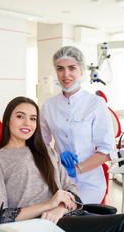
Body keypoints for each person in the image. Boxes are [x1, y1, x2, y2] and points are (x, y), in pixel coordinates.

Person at [0, 96, 124, 232]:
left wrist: (60, 209)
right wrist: (48, 206)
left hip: (67, 215)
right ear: (7, 120)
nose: (27, 123)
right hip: (38, 225)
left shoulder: (47, 152)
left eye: (33, 119)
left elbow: (71, 189)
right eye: (20, 116)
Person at [40, 46, 115, 204]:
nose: (66, 74)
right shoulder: (49, 105)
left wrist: (76, 169)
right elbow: (41, 144)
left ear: (81, 71)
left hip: (90, 183)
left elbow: (107, 150)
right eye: (60, 69)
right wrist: (55, 159)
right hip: (58, 179)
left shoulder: (95, 104)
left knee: (67, 209)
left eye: (72, 68)